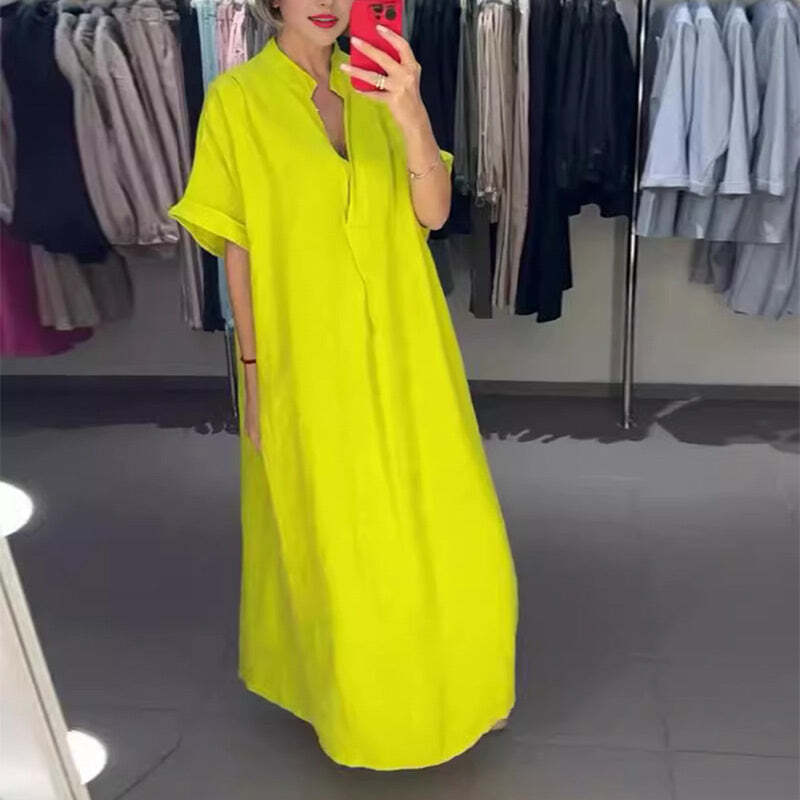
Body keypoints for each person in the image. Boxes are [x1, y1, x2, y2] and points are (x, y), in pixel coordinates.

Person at [168, 0, 518, 771]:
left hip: (409, 344)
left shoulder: (379, 84)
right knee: (342, 538)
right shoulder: (237, 101)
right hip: (307, 358)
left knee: (451, 521)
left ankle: (465, 685)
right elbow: (239, 252)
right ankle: (366, 713)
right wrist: (254, 377)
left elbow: (433, 212)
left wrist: (410, 112)